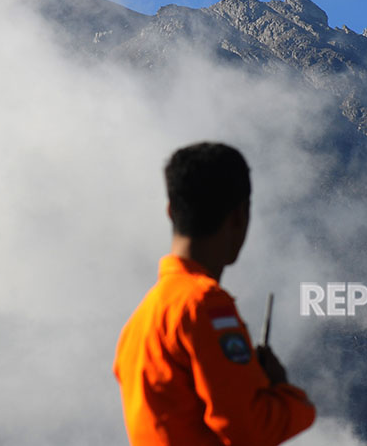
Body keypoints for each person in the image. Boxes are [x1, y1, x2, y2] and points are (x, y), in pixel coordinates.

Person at [113, 142, 316, 445]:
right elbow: (249, 429)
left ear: (171, 211)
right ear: (239, 217)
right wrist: (288, 395)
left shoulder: (139, 322)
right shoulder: (205, 305)